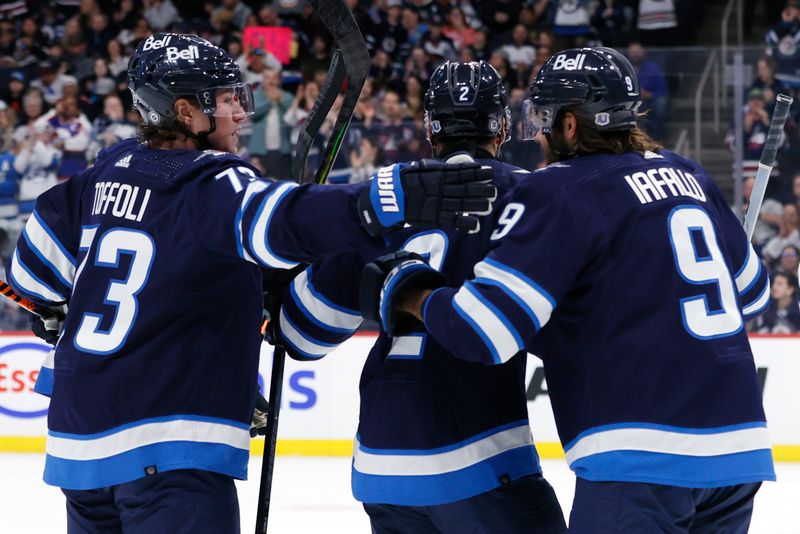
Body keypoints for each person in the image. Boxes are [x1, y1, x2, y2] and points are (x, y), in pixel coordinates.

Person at [6, 33, 495, 533]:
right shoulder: (209, 182)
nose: (241, 113)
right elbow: (285, 221)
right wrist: (386, 199)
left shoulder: (102, 173)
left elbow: (30, 273)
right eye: (226, 100)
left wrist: (59, 312)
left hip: (76, 444)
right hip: (168, 445)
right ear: (185, 111)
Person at [361, 47, 775, 532]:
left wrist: (412, 294)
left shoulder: (559, 189)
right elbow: (753, 294)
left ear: (571, 125)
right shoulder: (690, 175)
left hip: (638, 453)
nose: (540, 134)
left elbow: (483, 331)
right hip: (738, 451)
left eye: (545, 118)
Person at [277, 60, 567, 533]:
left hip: (383, 463)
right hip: (479, 451)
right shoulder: (530, 195)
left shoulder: (384, 197)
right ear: (503, 128)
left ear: (430, 129)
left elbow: (302, 334)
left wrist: (293, 273)